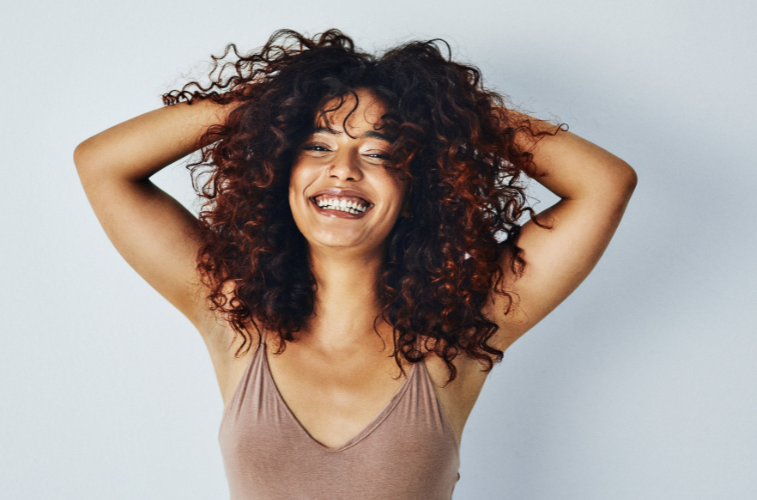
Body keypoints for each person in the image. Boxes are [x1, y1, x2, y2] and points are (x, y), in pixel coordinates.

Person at [74, 29, 637, 499]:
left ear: (417, 182)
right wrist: (278, 102)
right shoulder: (232, 311)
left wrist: (445, 114)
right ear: (280, 169)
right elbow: (101, 163)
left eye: (379, 153)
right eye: (317, 146)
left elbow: (604, 184)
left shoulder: (460, 333)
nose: (343, 169)